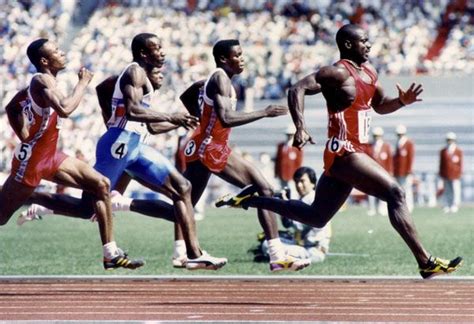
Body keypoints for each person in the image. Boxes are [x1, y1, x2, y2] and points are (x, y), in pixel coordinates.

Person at [217, 24, 463, 279]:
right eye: (363, 41)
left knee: (316, 217)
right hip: (344, 151)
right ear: (348, 45)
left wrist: (401, 101)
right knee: (396, 193)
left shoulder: (369, 72)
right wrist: (300, 127)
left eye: (368, 41)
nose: (368, 45)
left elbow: (380, 106)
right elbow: (296, 89)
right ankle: (425, 261)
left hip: (353, 152)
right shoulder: (336, 73)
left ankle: (250, 200)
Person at [14, 34, 227, 271]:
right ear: (144, 54)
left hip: (135, 146)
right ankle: (34, 197)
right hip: (118, 146)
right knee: (87, 209)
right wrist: (168, 115)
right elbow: (133, 111)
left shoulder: (143, 77)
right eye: (157, 48)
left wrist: (182, 121)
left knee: (183, 188)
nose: (163, 52)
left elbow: (151, 125)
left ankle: (193, 254)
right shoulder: (135, 72)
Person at [1, 38, 143, 270]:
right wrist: (83, 83)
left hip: (50, 155)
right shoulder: (42, 80)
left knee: (101, 185)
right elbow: (65, 109)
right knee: (1, 216)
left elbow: (12, 106)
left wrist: (25, 134)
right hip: (33, 162)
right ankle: (29, 198)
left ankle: (110, 254)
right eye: (56, 51)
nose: (62, 52)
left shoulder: (39, 84)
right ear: (45, 60)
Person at [182, 39, 310, 272]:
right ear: (223, 59)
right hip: (211, 147)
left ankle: (183, 251)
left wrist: (200, 123)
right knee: (264, 189)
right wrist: (265, 112)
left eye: (242, 55)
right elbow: (226, 118)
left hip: (211, 144)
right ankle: (276, 254)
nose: (242, 59)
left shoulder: (218, 79)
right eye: (237, 55)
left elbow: (187, 95)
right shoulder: (220, 78)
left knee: (183, 204)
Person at [277, 167, 331, 263]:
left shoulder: (311, 199)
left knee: (269, 245)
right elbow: (289, 224)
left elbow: (296, 225)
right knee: (272, 241)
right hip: (305, 247)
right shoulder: (307, 198)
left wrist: (284, 205)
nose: (299, 185)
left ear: (313, 183)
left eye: (302, 181)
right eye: (296, 181)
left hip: (313, 250)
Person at [367, 126, 392, 216]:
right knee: (371, 192)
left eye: (378, 135)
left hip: (383, 173)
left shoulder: (386, 146)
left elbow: (389, 160)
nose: (376, 137)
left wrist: (390, 172)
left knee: (384, 191)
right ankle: (372, 209)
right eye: (375, 136)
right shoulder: (369, 146)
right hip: (371, 172)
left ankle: (382, 209)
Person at [439, 132, 463, 213]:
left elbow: (460, 164)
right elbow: (441, 163)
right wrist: (441, 173)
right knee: (447, 190)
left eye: (451, 140)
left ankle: (455, 205)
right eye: (448, 140)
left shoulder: (458, 151)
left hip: (455, 174)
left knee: (455, 190)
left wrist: (459, 173)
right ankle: (447, 205)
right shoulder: (443, 151)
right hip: (446, 174)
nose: (450, 141)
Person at [274, 124, 304, 190]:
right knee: (283, 190)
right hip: (282, 174)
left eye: (291, 134)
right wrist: (276, 173)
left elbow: (299, 162)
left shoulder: (298, 147)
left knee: (292, 190)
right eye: (288, 134)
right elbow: (278, 161)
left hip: (292, 175)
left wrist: (297, 175)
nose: (289, 136)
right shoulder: (281, 146)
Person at [393, 124, 415, 212]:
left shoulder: (408, 143)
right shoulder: (398, 143)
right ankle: (401, 206)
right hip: (398, 171)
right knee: (400, 189)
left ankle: (409, 206)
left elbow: (410, 157)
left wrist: (409, 169)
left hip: (406, 171)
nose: (399, 136)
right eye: (398, 134)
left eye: (401, 134)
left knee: (407, 189)